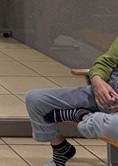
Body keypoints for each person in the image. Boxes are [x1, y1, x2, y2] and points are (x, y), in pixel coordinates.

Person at [25, 36, 118, 165]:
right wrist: (97, 81)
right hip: (99, 95)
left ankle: (81, 115)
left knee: (112, 126)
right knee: (35, 99)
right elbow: (105, 63)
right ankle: (61, 149)